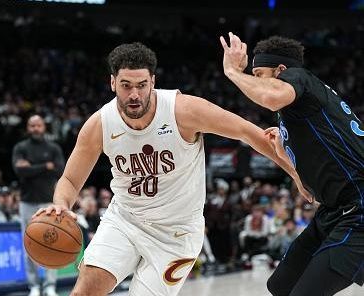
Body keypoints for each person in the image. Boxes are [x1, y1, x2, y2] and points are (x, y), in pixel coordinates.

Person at [35, 42, 310, 296]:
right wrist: (60, 205)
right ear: (112, 83)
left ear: (153, 82)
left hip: (176, 234)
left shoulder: (183, 110)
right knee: (84, 291)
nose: (134, 94)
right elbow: (70, 180)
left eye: (142, 85)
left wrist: (298, 174)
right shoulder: (99, 124)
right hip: (125, 220)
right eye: (126, 85)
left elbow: (252, 134)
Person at [220, 33, 364, 296]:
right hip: (335, 209)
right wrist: (290, 164)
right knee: (280, 285)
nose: (255, 81)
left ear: (282, 70)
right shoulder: (297, 113)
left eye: (259, 73)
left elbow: (270, 96)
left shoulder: (301, 79)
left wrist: (232, 71)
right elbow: (309, 185)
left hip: (359, 208)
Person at [12, 115, 65, 296]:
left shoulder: (53, 148)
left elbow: (60, 170)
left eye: (38, 125)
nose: (35, 128)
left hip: (49, 203)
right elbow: (19, 170)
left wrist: (32, 167)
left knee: (53, 245)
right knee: (29, 246)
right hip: (27, 203)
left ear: (44, 127)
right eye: (32, 125)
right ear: (28, 127)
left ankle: (50, 285)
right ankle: (33, 285)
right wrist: (45, 166)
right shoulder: (21, 147)